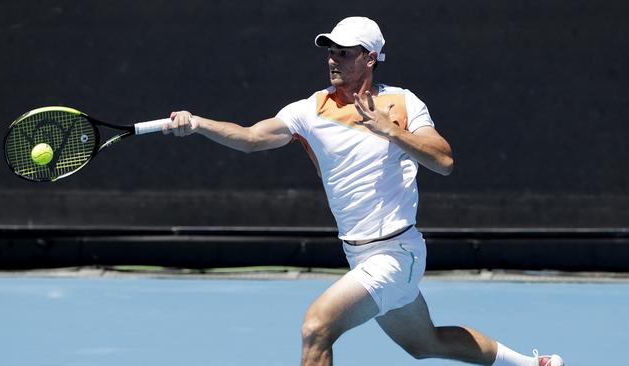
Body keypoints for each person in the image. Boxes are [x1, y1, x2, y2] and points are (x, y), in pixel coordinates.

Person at [163, 16, 564, 366]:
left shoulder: (402, 103)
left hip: (397, 253)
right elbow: (250, 137)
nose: (333, 59)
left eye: (344, 53)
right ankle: (534, 364)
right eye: (330, 51)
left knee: (316, 327)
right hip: (358, 254)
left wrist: (390, 130)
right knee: (425, 344)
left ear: (369, 58)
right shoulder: (309, 110)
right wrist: (198, 123)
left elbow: (443, 161)